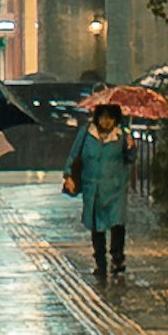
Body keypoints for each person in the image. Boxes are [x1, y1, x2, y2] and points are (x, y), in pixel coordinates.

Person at [66, 104, 132, 293]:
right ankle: (100, 261)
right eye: (102, 117)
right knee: (97, 226)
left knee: (117, 223)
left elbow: (130, 158)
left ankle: (118, 258)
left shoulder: (121, 136)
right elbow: (74, 155)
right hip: (92, 188)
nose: (106, 121)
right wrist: (68, 175)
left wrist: (130, 146)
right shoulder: (87, 133)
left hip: (116, 188)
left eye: (110, 118)